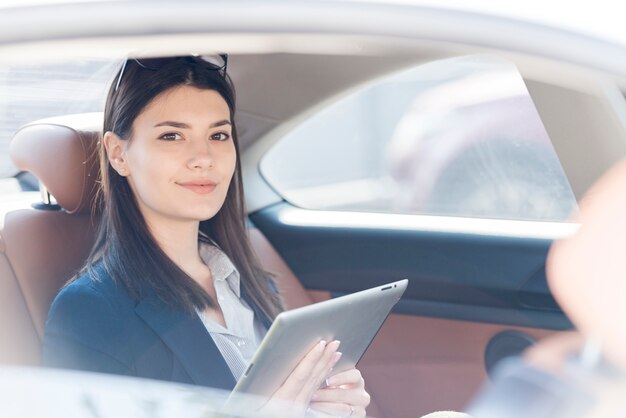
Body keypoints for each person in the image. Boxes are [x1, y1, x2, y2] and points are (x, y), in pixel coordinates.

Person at [42, 55, 370, 417]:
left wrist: (330, 403)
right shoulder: (89, 311)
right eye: (172, 135)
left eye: (218, 135)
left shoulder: (249, 279)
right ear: (119, 154)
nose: (203, 157)